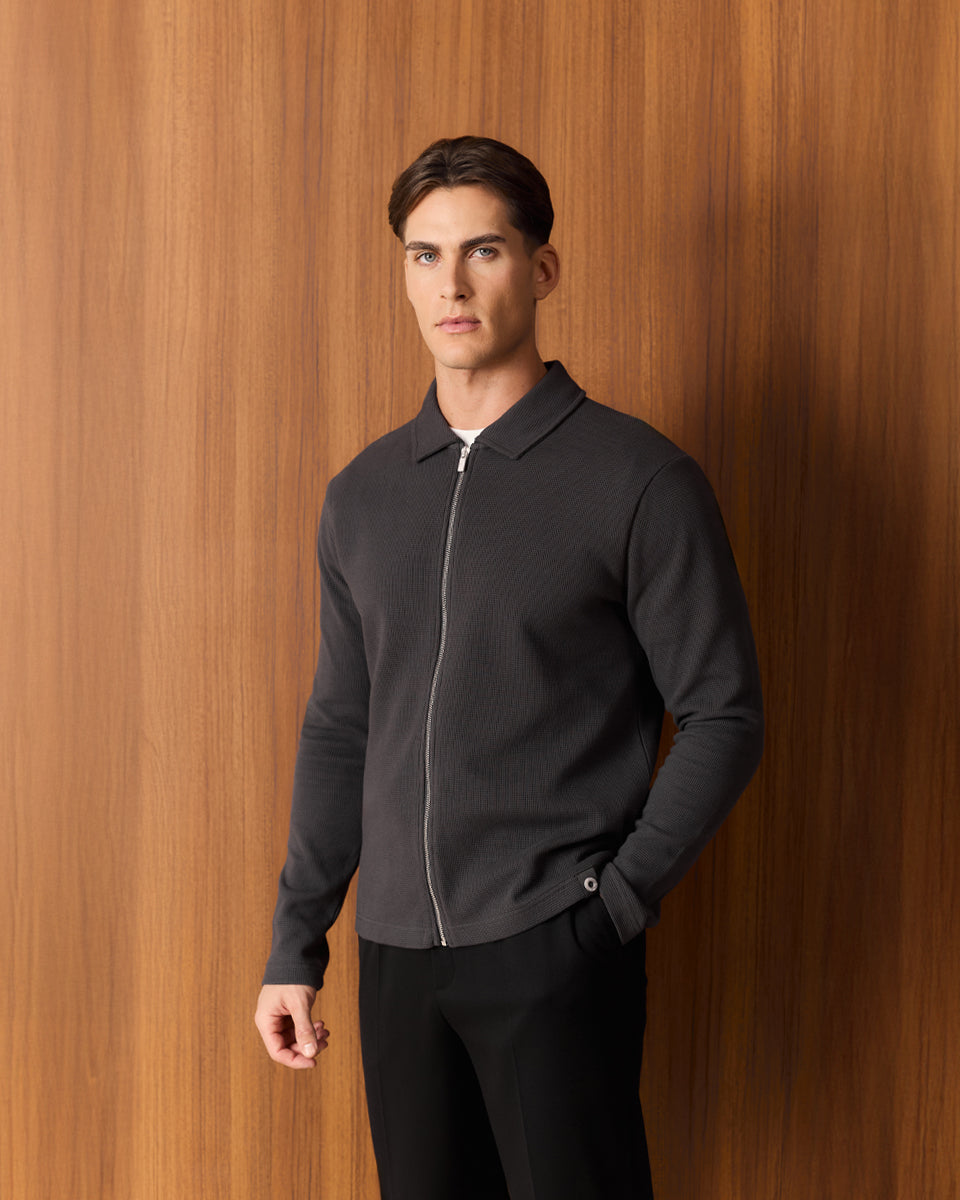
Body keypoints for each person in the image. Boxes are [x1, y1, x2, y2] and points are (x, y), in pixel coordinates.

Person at [255, 135, 764, 1200]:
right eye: (424, 254)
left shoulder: (638, 479)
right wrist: (297, 945)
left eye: (482, 250)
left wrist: (612, 906)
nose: (451, 283)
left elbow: (723, 715)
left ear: (541, 268)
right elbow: (342, 725)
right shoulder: (362, 496)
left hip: (551, 942)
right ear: (404, 274)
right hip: (396, 954)